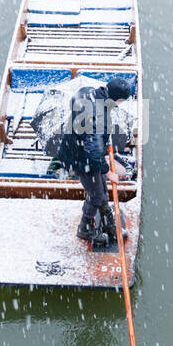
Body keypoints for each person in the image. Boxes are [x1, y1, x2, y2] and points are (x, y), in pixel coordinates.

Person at [58, 77, 131, 245]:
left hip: (77, 148)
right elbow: (94, 154)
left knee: (101, 188)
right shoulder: (99, 121)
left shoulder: (88, 92)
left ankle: (106, 220)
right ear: (116, 100)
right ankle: (85, 229)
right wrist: (109, 172)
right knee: (96, 195)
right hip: (82, 159)